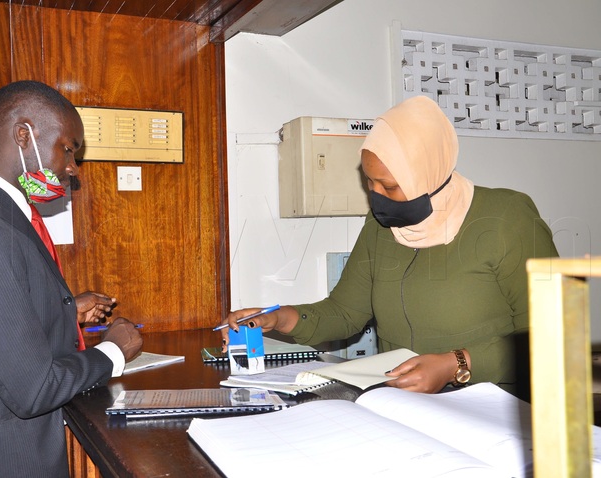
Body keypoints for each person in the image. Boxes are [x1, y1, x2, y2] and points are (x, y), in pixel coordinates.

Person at [219, 95, 558, 399]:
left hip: (499, 406)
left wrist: (457, 363)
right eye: (370, 182)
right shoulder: (380, 229)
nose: (377, 196)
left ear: (429, 173)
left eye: (390, 186)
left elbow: (550, 332)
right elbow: (344, 312)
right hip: (407, 403)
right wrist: (278, 318)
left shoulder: (507, 219)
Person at [0, 80, 143, 477]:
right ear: (24, 135)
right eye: (68, 149)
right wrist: (114, 351)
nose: (73, 168)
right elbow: (33, 388)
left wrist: (64, 307)